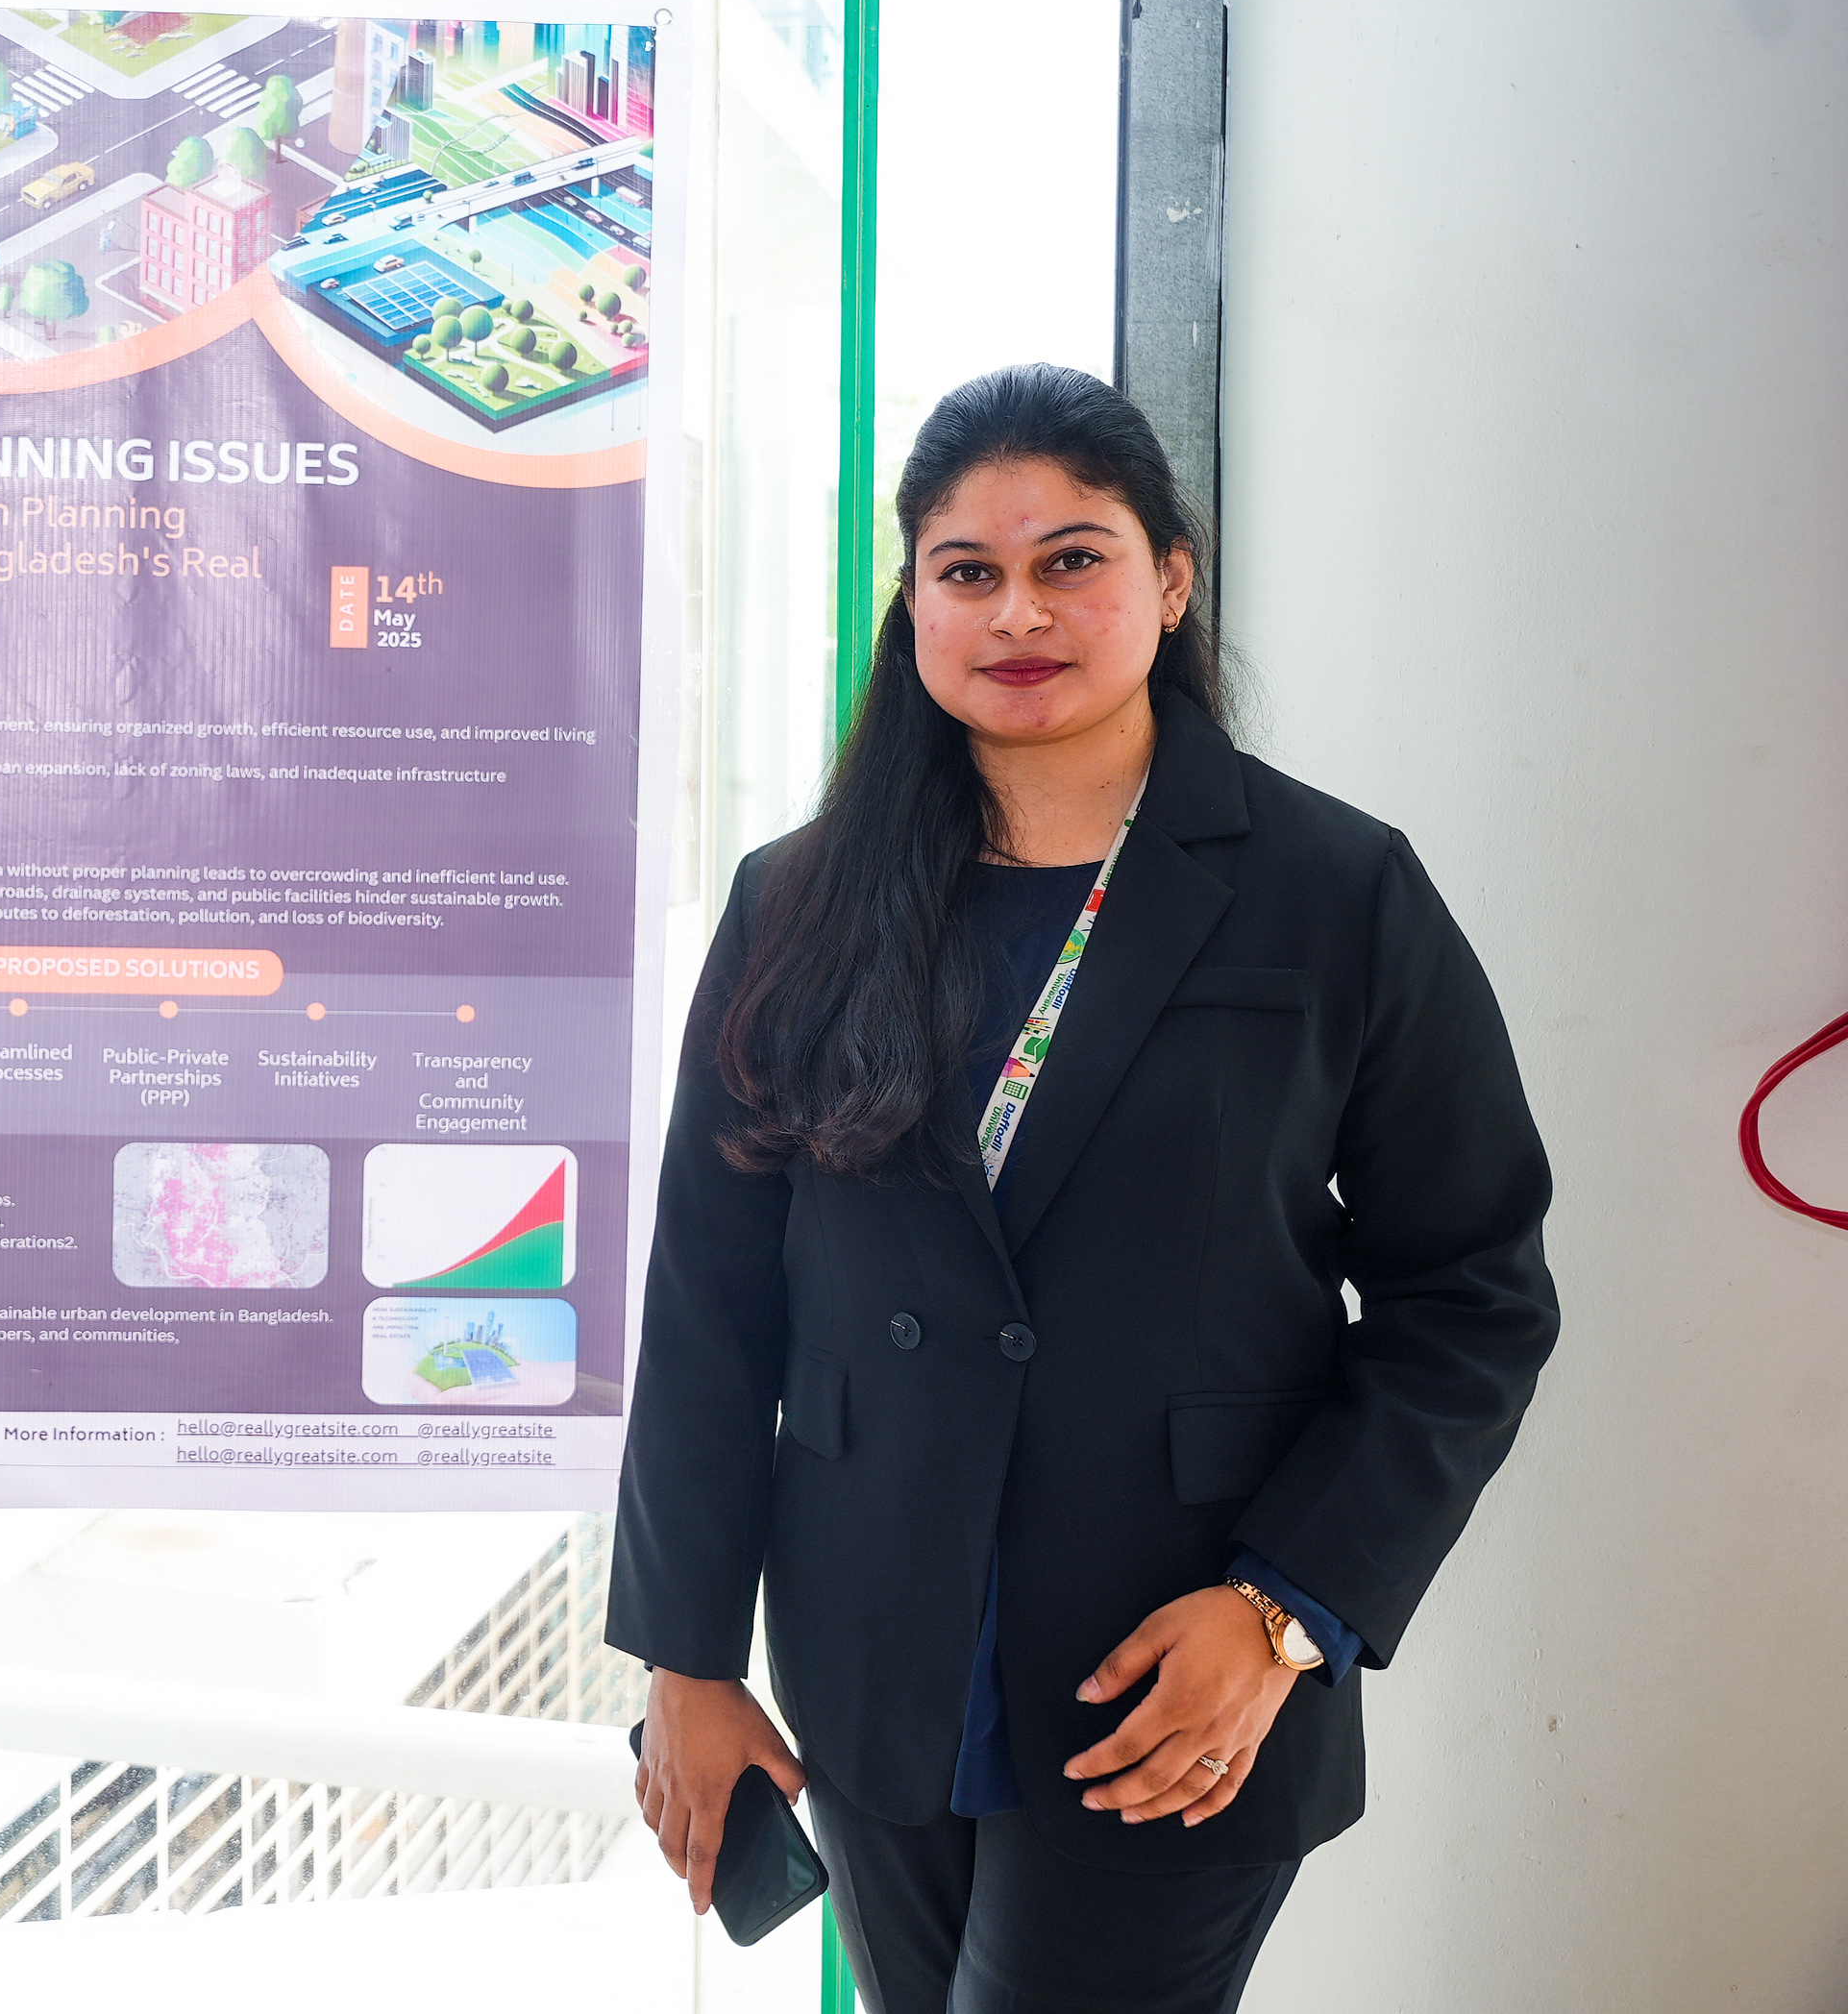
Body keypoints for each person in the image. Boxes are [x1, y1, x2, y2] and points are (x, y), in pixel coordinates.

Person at [608, 365, 1559, 2011]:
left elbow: (1471, 1292)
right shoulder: (799, 903)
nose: (1018, 612)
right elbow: (710, 1303)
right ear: (915, 602)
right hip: (876, 1650)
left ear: (1170, 579)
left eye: (1072, 560)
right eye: (967, 570)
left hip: (1177, 1666)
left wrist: (1285, 1608)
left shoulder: (1335, 890)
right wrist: (686, 1654)